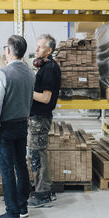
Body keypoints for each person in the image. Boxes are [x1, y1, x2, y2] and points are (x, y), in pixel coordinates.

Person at [0, 35, 35, 218]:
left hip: (5, 128)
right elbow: (30, 101)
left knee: (7, 170)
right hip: (22, 124)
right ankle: (22, 207)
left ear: (8, 50)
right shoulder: (31, 73)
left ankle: (12, 213)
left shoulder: (3, 73)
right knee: (21, 165)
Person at [28, 34, 61, 208]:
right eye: (37, 45)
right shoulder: (45, 67)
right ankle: (44, 189)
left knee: (37, 155)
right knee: (38, 154)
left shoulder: (49, 69)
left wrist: (26, 90)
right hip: (37, 118)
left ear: (49, 50)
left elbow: (46, 98)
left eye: (40, 47)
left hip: (40, 119)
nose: (36, 49)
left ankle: (43, 194)